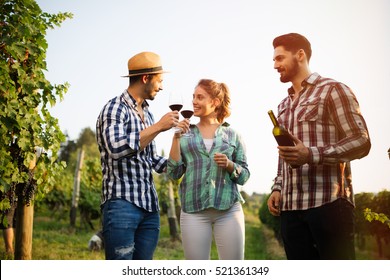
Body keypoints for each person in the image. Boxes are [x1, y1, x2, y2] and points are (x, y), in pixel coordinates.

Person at [267, 33, 371, 260]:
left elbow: (361, 141)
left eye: (280, 58)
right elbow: (284, 153)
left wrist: (311, 154)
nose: (275, 65)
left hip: (329, 205)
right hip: (291, 209)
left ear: (300, 55)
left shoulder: (333, 90)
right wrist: (277, 187)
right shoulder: (283, 105)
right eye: (274, 60)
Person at [96, 51, 179, 260]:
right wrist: (160, 126)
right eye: (159, 81)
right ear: (145, 78)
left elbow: (149, 158)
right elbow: (115, 148)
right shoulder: (115, 108)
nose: (161, 86)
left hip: (149, 208)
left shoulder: (148, 114)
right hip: (122, 204)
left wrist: (180, 163)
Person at [168, 79, 250, 260]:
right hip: (193, 211)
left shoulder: (233, 135)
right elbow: (174, 173)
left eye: (200, 97)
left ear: (215, 102)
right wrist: (176, 138)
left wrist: (229, 165)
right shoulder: (186, 133)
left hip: (228, 210)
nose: (194, 102)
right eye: (193, 97)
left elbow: (244, 175)